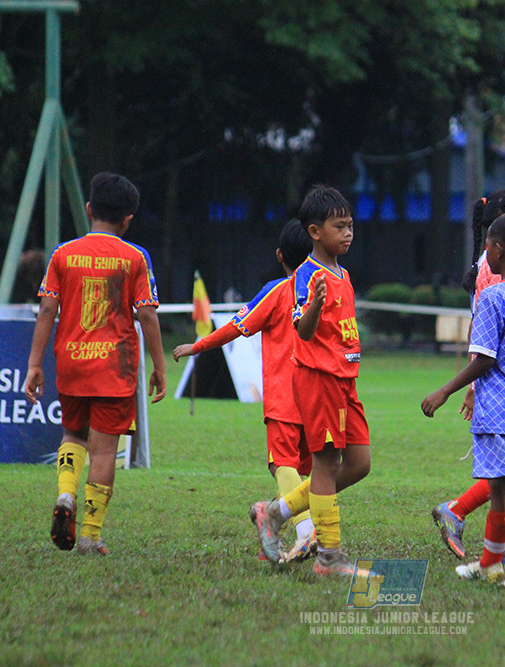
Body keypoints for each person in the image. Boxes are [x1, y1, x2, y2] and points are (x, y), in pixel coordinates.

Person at [24, 172, 167, 556]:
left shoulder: (61, 255)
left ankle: (66, 494)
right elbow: (148, 315)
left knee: (72, 435)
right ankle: (89, 535)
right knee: (104, 452)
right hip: (115, 369)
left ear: (89, 210)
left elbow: (47, 310)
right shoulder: (136, 258)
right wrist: (159, 365)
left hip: (71, 363)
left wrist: (34, 364)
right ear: (127, 220)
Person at [174, 220, 317, 562]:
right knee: (306, 472)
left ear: (280, 255)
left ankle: (303, 532)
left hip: (284, 397)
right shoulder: (327, 288)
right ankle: (281, 520)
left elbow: (236, 328)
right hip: (319, 396)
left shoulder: (276, 290)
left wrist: (198, 346)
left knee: (284, 465)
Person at [422, 213, 505, 590]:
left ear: (497, 249)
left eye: (487, 248)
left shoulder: (493, 297)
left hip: (501, 405)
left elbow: (485, 359)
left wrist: (444, 390)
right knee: (497, 485)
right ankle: (490, 564)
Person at [250, 185, 371, 577]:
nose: (348, 233)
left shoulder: (344, 273)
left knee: (359, 463)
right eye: (340, 226)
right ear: (315, 232)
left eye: (351, 225)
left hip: (345, 382)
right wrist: (315, 306)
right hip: (319, 380)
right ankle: (329, 559)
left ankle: (275, 512)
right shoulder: (307, 275)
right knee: (326, 465)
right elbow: (303, 330)